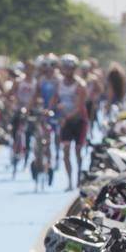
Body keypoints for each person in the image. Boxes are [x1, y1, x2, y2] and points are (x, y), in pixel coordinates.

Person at [53, 54, 89, 192]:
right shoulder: (59, 83)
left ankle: (79, 176)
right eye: (65, 68)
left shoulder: (80, 85)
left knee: (77, 151)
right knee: (66, 151)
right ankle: (70, 182)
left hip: (78, 121)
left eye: (70, 68)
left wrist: (67, 117)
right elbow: (55, 99)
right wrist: (48, 109)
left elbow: (80, 107)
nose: (68, 71)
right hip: (65, 121)